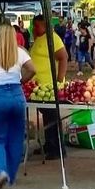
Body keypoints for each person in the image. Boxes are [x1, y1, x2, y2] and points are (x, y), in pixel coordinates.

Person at [0, 24, 36, 189]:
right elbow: (33, 70)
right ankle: (11, 176)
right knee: (15, 137)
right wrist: (21, 80)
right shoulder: (20, 52)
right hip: (16, 95)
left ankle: (1, 172)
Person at [29, 14, 68, 160]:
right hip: (40, 87)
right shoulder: (39, 39)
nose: (34, 28)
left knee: (52, 116)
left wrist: (59, 80)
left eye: (37, 25)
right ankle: (49, 144)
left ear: (45, 26)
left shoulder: (53, 38)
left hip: (50, 86)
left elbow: (64, 57)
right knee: (46, 115)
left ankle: (58, 148)